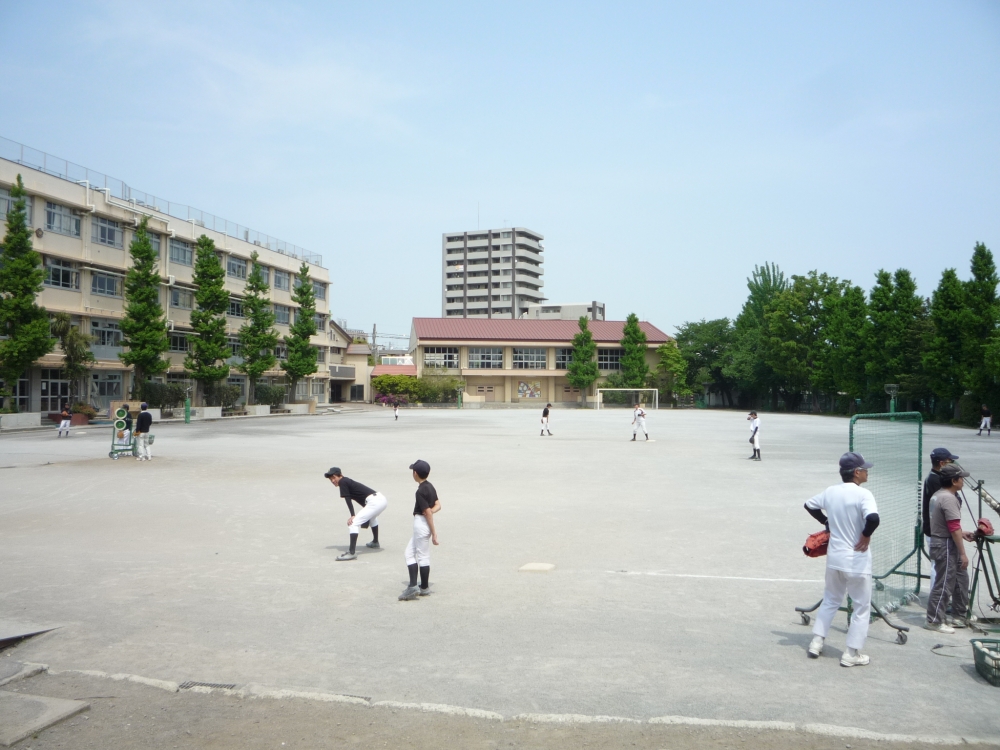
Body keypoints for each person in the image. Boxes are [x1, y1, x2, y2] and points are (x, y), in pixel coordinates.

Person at [804, 452, 880, 667]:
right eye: (864, 469)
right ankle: (851, 653)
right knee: (861, 607)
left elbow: (809, 505)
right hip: (857, 560)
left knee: (830, 600)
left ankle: (816, 642)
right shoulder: (863, 494)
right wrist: (865, 535)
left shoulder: (831, 491)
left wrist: (826, 522)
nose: (867, 472)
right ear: (856, 472)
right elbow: (873, 519)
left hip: (835, 558)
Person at [925, 464, 975, 633]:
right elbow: (953, 528)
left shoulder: (939, 495)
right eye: (961, 478)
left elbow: (948, 525)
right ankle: (934, 620)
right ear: (954, 481)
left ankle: (956, 616)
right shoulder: (949, 499)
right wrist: (963, 553)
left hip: (942, 540)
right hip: (945, 544)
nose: (963, 481)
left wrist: (962, 533)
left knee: (955, 579)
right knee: (945, 583)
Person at [324, 467, 387, 561]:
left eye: (334, 477)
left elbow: (347, 499)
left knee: (353, 523)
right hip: (381, 499)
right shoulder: (347, 481)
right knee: (372, 519)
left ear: (340, 475)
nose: (332, 481)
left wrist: (353, 515)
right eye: (330, 479)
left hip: (374, 502)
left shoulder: (342, 482)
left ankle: (352, 552)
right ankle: (375, 542)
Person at [399, 459, 440, 601]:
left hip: (421, 524)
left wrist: (434, 532)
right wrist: (430, 512)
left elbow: (427, 512)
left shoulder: (420, 491)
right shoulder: (430, 486)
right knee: (410, 553)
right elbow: (438, 505)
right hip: (423, 524)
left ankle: (417, 587)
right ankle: (421, 586)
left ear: (415, 473)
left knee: (421, 556)